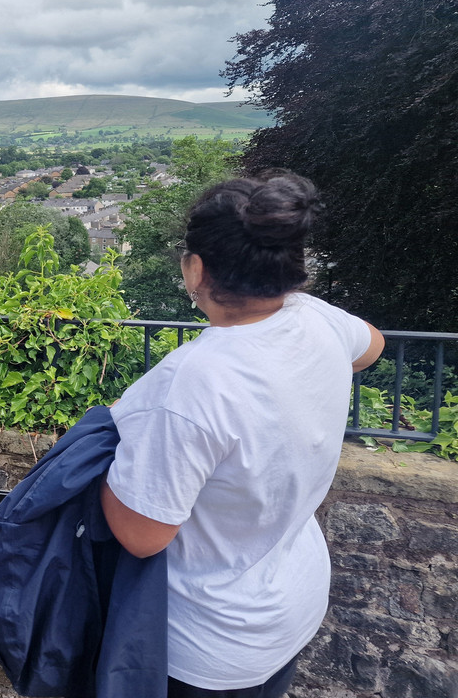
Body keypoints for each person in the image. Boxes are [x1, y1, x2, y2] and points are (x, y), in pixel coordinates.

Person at [99, 173, 385, 697]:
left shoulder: (193, 382)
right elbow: (372, 346)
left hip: (212, 641)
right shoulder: (312, 317)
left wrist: (109, 448)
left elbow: (142, 536)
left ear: (196, 269)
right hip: (290, 604)